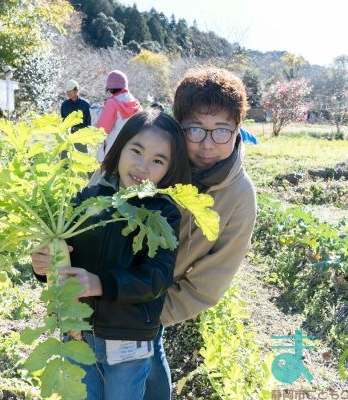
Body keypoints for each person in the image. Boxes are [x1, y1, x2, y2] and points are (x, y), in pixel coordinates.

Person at [31, 110, 191, 400]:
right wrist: (42, 265)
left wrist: (101, 283)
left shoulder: (163, 212)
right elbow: (65, 257)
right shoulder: (88, 199)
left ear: (169, 169)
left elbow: (157, 277)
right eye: (137, 151)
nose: (143, 166)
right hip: (78, 331)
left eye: (158, 161)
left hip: (128, 344)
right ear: (120, 148)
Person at [142, 66, 258, 399]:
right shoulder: (151, 156)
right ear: (179, 127)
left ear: (238, 129)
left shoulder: (239, 198)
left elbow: (206, 287)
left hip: (146, 310)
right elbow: (96, 198)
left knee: (148, 383)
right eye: (195, 130)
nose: (208, 144)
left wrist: (143, 317)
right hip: (90, 297)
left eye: (221, 130)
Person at [95, 70, 141, 162]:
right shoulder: (136, 104)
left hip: (111, 150)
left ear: (110, 87)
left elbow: (101, 129)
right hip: (131, 150)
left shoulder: (112, 102)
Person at [60, 79, 91, 153]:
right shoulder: (64, 105)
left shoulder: (85, 104)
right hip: (67, 136)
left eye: (70, 91)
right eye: (67, 92)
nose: (68, 93)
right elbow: (63, 121)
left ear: (76, 90)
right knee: (65, 159)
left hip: (80, 136)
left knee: (82, 159)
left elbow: (88, 123)